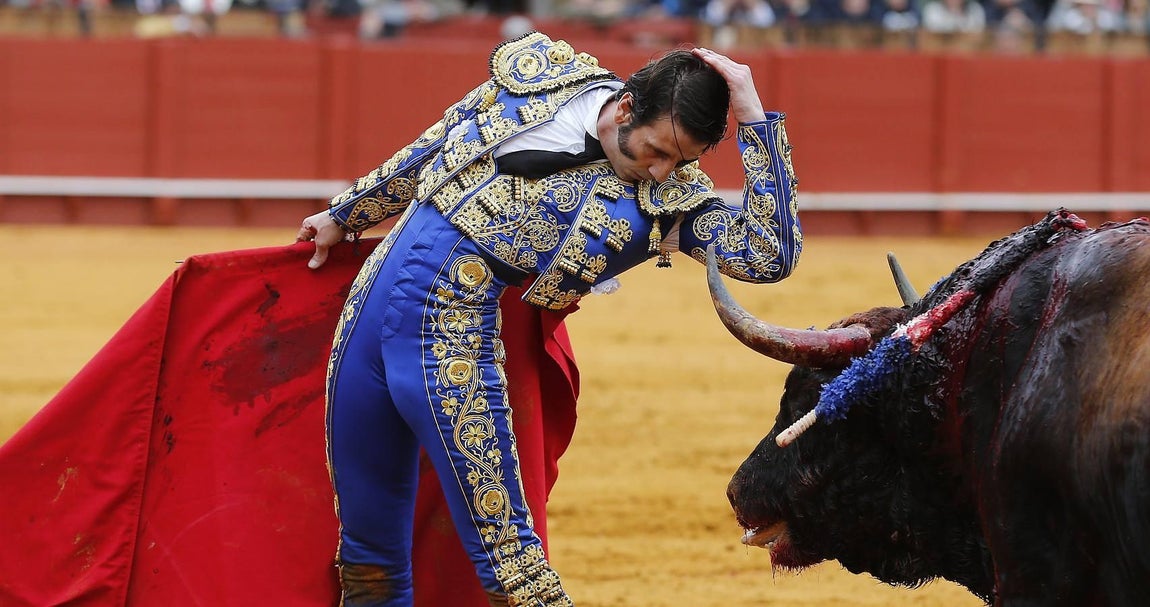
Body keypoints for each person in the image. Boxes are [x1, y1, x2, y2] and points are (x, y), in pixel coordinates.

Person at [296, 31, 802, 606]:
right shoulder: (541, 79)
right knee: (367, 557)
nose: (663, 172)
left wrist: (755, 115)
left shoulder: (667, 205)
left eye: (680, 160)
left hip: (449, 347)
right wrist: (348, 213)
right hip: (365, 317)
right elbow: (438, 146)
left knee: (513, 564)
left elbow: (769, 253)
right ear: (628, 106)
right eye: (658, 151)